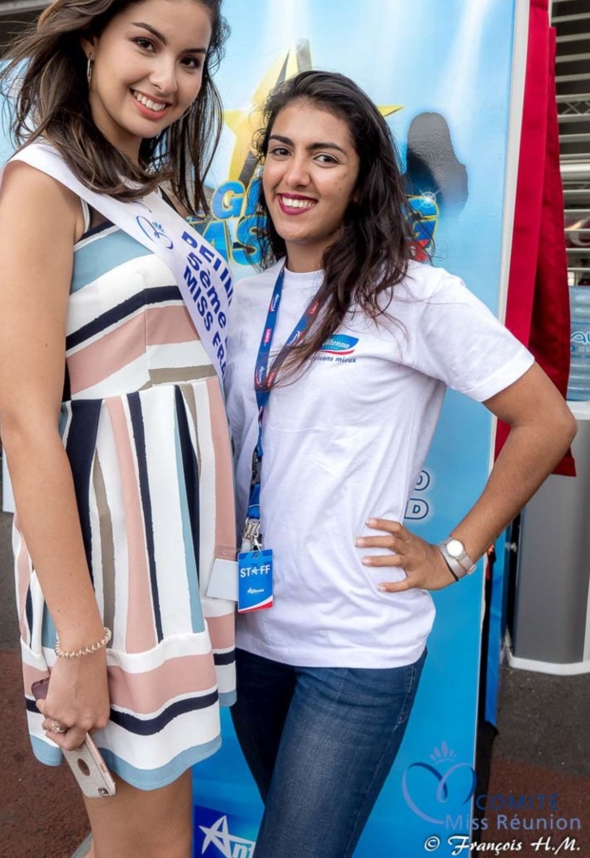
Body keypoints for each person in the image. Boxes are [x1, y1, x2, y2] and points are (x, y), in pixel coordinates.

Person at [224, 70, 577, 858]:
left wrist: (455, 553)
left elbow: (546, 420)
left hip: (356, 650)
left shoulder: (412, 295)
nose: (295, 174)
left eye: (325, 156)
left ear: (363, 180)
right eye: (281, 151)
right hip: (246, 635)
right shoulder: (243, 296)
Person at [0, 0, 236, 858]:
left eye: (190, 57)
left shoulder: (151, 187)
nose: (167, 76)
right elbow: (25, 421)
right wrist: (81, 645)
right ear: (90, 39)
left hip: (173, 541)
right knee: (149, 846)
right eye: (145, 43)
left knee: (155, 834)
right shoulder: (44, 186)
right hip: (113, 557)